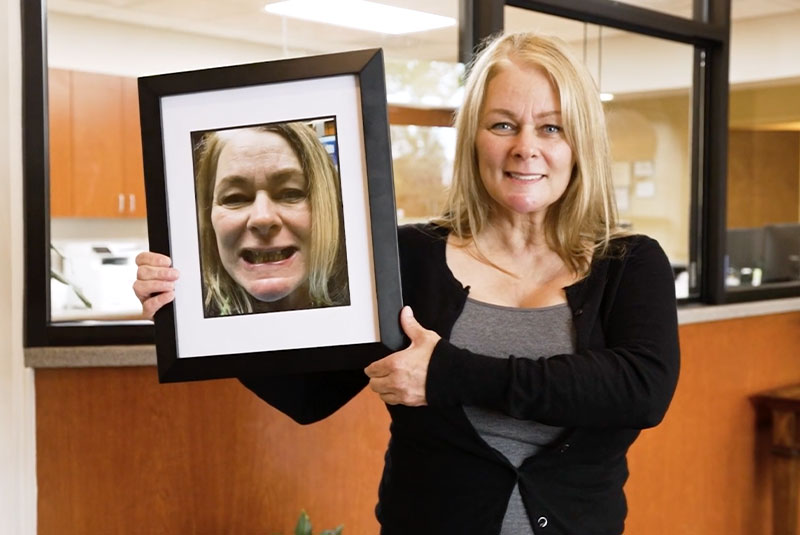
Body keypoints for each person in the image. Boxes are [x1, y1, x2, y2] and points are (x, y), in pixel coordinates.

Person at [134, 32, 680, 534]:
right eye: (503, 124)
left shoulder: (629, 264)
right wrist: (193, 311)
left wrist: (446, 373)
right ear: (472, 138)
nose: (526, 148)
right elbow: (309, 397)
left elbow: (639, 390)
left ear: (579, 143)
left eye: (551, 127)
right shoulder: (405, 257)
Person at [192, 121, 349, 317]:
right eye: (235, 198)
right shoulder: (188, 317)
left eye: (291, 193)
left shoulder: (379, 311)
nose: (262, 218)